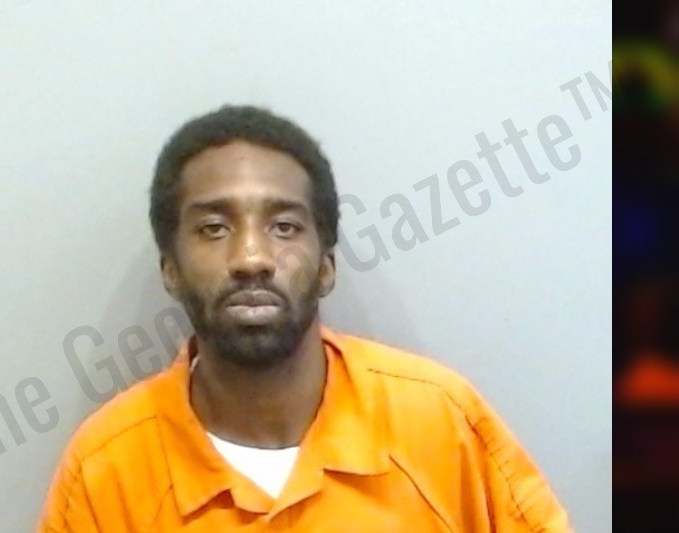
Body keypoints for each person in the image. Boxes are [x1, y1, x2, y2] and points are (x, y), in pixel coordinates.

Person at [38, 105, 571, 531]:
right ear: (170, 269)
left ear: (326, 266)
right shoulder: (107, 468)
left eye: (285, 227)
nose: (251, 257)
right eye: (214, 228)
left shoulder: (441, 424)